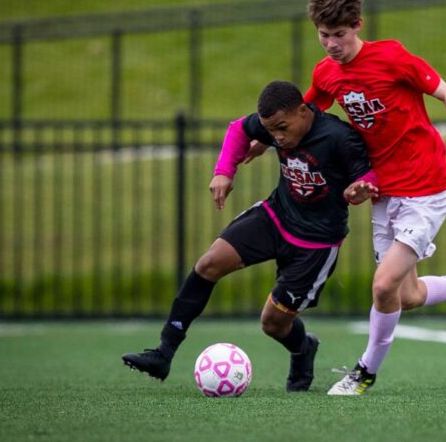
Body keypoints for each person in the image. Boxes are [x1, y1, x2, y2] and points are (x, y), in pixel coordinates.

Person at [304, 0, 446, 395]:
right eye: (324, 35)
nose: (331, 44)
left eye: (339, 35)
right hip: (385, 193)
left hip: (427, 187)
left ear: (357, 25)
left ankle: (364, 373)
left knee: (382, 285)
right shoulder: (326, 74)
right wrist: (252, 143)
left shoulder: (391, 57)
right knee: (406, 294)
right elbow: (303, 119)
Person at [122, 80, 378, 392]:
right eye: (271, 132)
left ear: (303, 111)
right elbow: (239, 129)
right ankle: (164, 352)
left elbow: (365, 178)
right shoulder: (273, 126)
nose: (277, 138)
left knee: (272, 323)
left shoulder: (340, 137)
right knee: (208, 264)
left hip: (315, 243)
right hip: (276, 216)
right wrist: (223, 170)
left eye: (282, 128)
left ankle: (303, 349)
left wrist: (358, 191)